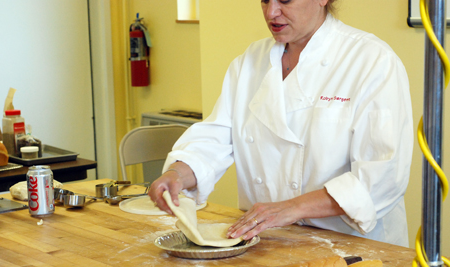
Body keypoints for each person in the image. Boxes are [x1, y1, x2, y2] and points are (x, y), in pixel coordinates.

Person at [148, 0, 413, 247]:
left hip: (356, 249)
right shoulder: (251, 61)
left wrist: (292, 208)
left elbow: (382, 177)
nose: (271, 12)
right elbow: (217, 137)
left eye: (285, 0)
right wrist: (177, 175)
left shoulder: (371, 61)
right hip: (271, 243)